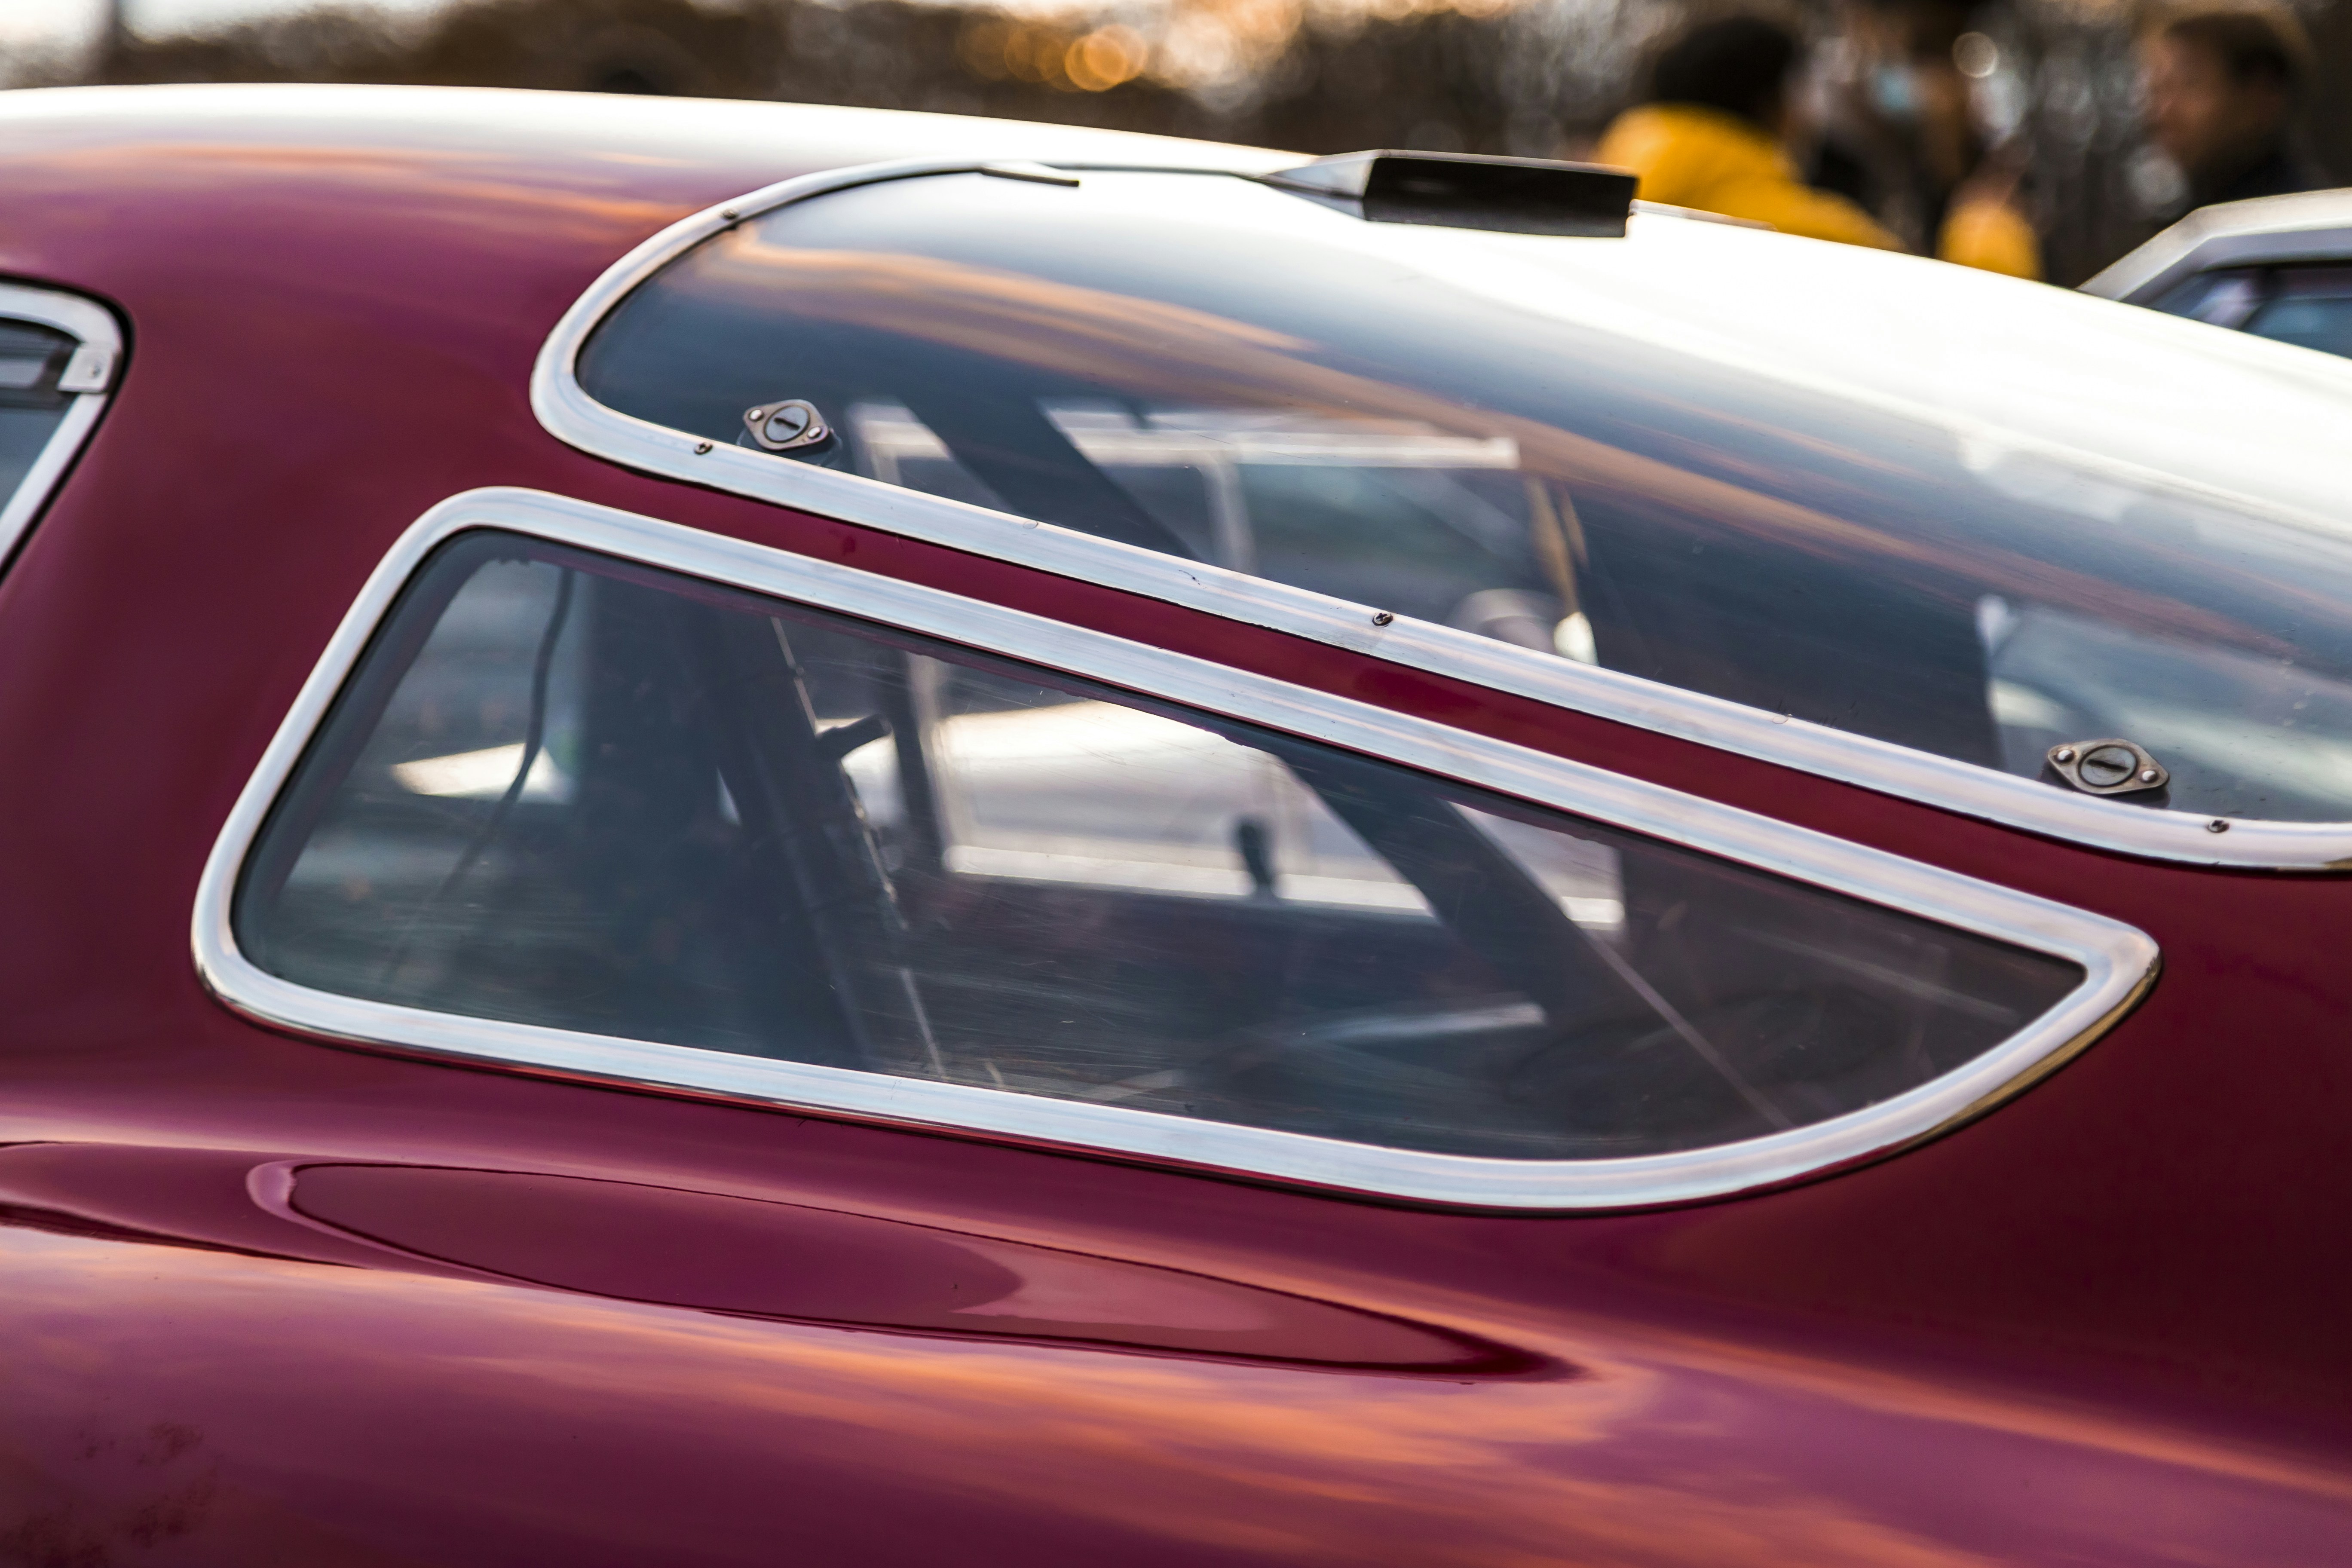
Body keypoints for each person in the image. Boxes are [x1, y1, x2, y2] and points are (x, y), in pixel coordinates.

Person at [1595, 15, 1902, 249]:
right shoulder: (1835, 237)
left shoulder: (1595, 207)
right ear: (1771, 102)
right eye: (1802, 92)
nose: (1810, 114)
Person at [2142, 5, 2327, 208]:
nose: (2163, 112)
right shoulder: (2190, 223)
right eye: (2159, 88)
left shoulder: (2306, 229)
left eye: (2190, 83)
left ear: (2261, 97)